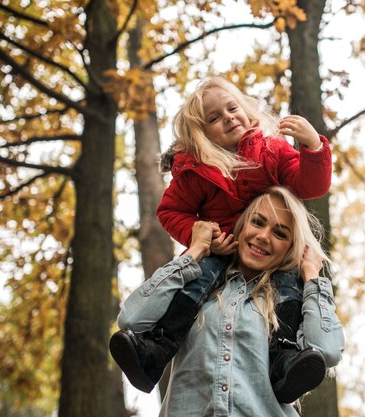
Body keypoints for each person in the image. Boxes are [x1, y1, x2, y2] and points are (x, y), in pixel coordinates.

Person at [110, 76, 332, 403]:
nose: (228, 117)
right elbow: (171, 211)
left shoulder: (271, 151)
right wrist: (205, 235)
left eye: (232, 108)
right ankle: (155, 351)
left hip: (271, 253)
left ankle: (284, 359)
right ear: (201, 134)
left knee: (287, 290)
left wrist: (313, 147)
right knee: (194, 288)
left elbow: (309, 185)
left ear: (246, 109)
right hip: (223, 248)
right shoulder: (195, 170)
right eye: (214, 118)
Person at [115, 187, 345, 416]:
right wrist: (195, 251)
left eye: (280, 233)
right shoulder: (196, 288)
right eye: (257, 222)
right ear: (241, 225)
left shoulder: (290, 304)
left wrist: (312, 274)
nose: (263, 236)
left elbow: (327, 351)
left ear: (290, 248)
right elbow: (131, 319)